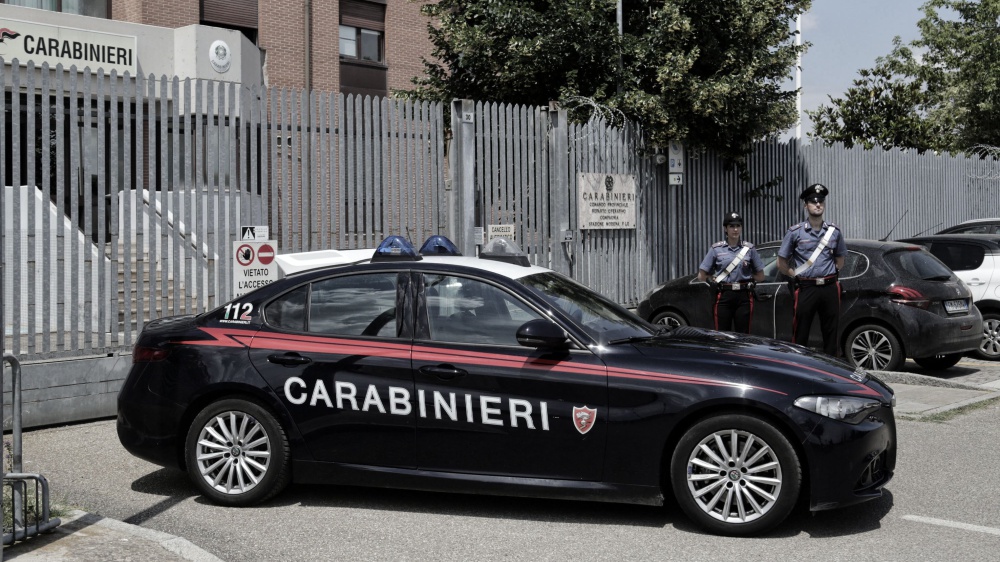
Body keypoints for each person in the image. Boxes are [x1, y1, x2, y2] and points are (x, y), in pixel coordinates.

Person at [776, 183, 847, 357]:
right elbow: (781, 262)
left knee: (831, 333)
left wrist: (827, 273)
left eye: (821, 201)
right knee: (801, 332)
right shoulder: (795, 232)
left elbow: (840, 260)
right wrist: (795, 275)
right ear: (805, 205)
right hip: (806, 287)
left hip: (829, 287)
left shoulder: (834, 232)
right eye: (813, 201)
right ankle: (799, 367)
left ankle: (831, 371)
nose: (818, 205)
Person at [697, 211, 764, 333]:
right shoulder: (716, 249)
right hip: (723, 295)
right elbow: (701, 275)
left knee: (743, 335)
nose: (735, 229)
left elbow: (761, 276)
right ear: (725, 229)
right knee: (722, 334)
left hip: (744, 296)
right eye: (732, 226)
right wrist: (713, 279)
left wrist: (749, 277)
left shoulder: (749, 249)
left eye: (738, 226)